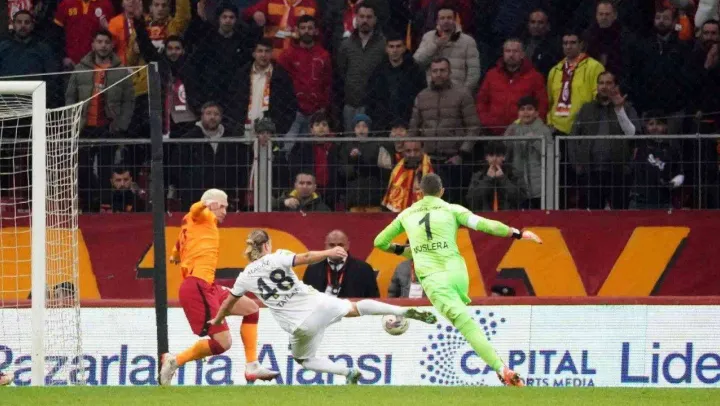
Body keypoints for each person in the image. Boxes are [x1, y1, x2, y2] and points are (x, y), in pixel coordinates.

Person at [373, 173, 542, 387]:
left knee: (465, 324)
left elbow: (379, 242)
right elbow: (486, 225)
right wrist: (518, 234)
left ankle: (502, 369)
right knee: (463, 317)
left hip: (433, 278)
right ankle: (501, 367)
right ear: (442, 191)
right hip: (457, 273)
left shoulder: (406, 214)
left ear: (419, 193)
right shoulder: (452, 209)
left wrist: (406, 251)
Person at [208, 229, 437, 384]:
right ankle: (400, 311)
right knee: (354, 308)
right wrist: (329, 252)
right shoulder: (278, 257)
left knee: (304, 360)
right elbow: (307, 257)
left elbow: (229, 303)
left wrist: (217, 320)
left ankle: (348, 372)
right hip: (318, 302)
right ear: (267, 245)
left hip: (300, 324)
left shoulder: (244, 277)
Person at [159, 189, 279, 385]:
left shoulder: (192, 224)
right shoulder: (202, 215)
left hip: (209, 286)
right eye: (221, 206)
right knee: (223, 343)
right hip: (197, 286)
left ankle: (252, 366)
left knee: (251, 309)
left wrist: (175, 253)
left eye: (226, 207)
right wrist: (204, 205)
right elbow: (194, 210)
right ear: (210, 204)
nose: (224, 211)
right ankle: (175, 360)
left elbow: (182, 241)